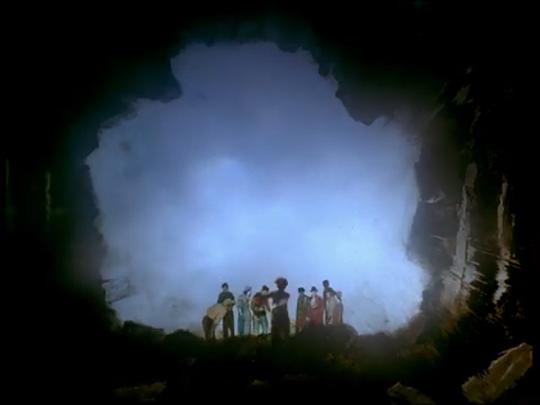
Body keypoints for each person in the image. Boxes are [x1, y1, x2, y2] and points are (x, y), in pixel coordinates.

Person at [268, 277, 290, 342]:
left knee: (276, 335)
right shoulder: (286, 294)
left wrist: (271, 307)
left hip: (277, 316)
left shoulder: (273, 294)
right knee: (283, 336)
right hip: (282, 316)